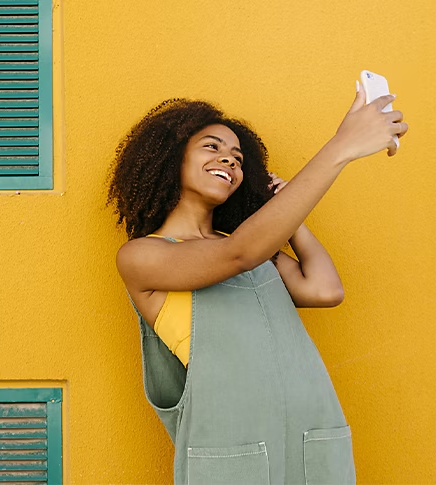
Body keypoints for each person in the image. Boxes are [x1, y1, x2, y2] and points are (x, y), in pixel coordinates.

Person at [107, 86, 408, 484]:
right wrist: (342, 147)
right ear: (169, 158)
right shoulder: (143, 256)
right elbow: (238, 254)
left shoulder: (253, 250)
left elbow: (324, 289)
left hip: (308, 439)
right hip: (232, 450)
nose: (228, 160)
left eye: (236, 157)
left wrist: (287, 214)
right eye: (211, 147)